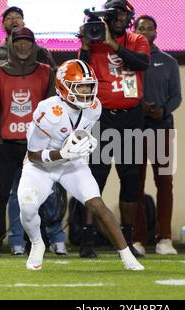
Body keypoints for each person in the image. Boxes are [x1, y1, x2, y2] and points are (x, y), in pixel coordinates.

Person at [18, 59, 144, 271]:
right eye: (80, 86)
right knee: (28, 207)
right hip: (41, 166)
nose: (86, 91)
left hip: (70, 164)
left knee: (96, 203)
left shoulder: (94, 107)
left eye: (89, 86)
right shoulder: (46, 111)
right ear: (63, 87)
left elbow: (79, 131)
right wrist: (62, 153)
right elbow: (32, 154)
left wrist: (86, 141)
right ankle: (37, 244)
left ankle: (127, 257)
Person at [0, 6, 64, 256]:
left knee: (48, 193)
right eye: (19, 42)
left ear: (33, 44)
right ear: (12, 44)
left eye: (27, 42)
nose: (23, 46)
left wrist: (54, 138)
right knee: (2, 194)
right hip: (8, 143)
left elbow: (53, 107)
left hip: (38, 145)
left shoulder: (47, 72)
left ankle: (50, 241)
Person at [78, 0, 150, 258]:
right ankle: (87, 241)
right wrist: (86, 45)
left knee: (130, 180)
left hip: (131, 117)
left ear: (129, 17)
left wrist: (111, 44)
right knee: (94, 179)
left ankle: (127, 241)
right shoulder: (93, 38)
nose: (119, 17)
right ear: (105, 17)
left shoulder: (137, 39)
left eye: (123, 13)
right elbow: (82, 72)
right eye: (114, 13)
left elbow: (142, 64)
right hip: (102, 118)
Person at [132, 15, 182, 255]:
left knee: (165, 184)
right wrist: (140, 107)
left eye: (149, 28)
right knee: (135, 185)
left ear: (156, 32)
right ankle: (139, 240)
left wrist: (163, 110)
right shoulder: (128, 61)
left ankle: (165, 239)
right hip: (135, 130)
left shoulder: (169, 61)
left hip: (163, 129)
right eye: (140, 28)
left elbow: (177, 96)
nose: (145, 32)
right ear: (134, 31)